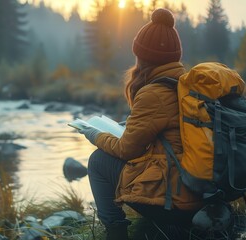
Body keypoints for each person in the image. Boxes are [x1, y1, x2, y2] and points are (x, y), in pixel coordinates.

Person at [78, 8, 203, 240]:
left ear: (143, 56)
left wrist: (94, 134)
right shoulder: (186, 85)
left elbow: (126, 150)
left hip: (176, 203)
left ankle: (115, 233)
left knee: (98, 161)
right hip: (200, 195)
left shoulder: (154, 93)